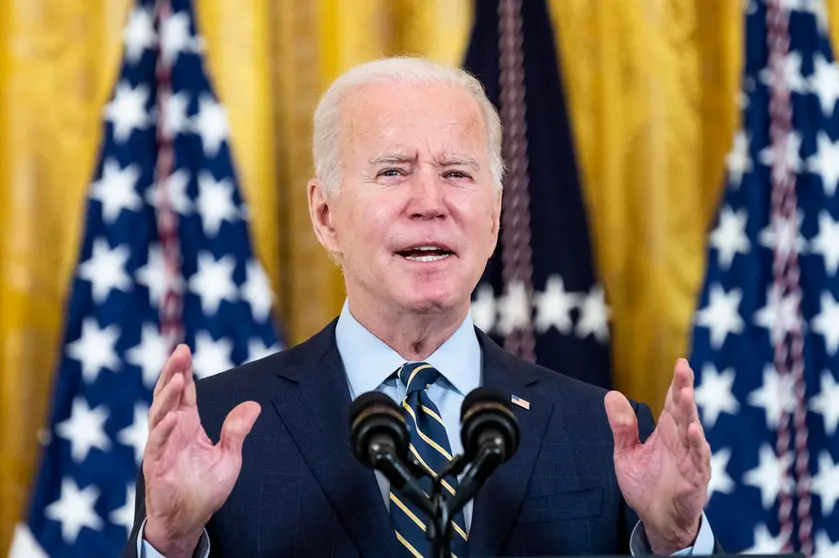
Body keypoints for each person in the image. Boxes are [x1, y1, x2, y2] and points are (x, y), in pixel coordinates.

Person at [123, 57, 718, 558]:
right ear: (325, 214)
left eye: (457, 173)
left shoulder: (602, 437)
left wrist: (675, 541)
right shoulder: (220, 430)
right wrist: (170, 544)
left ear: (493, 216)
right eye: (392, 172)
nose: (429, 202)